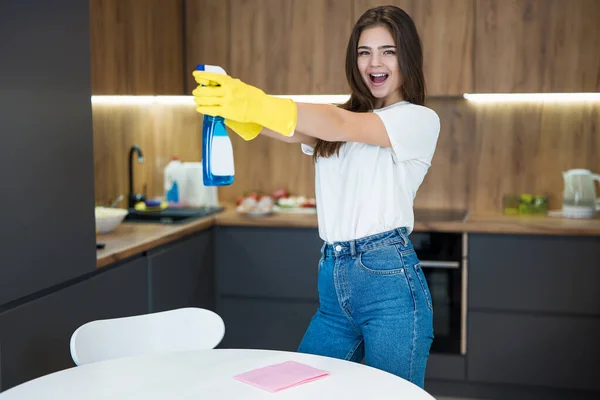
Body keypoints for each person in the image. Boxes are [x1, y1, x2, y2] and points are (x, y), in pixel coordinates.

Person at [192, 5, 439, 388]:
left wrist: (255, 101)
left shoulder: (418, 120)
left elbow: (338, 123)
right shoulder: (342, 123)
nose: (374, 61)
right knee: (302, 389)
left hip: (389, 286)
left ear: (407, 56)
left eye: (388, 50)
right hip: (334, 283)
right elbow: (297, 129)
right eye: (364, 51)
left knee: (390, 396)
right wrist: (240, 112)